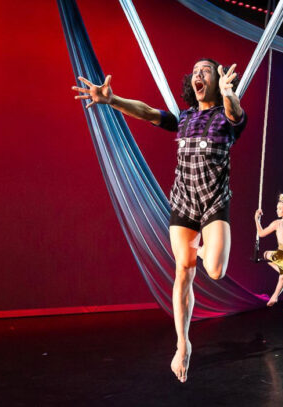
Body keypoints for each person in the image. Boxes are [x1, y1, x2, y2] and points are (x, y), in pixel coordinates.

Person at [72, 59, 245, 383]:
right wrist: (112, 101)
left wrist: (228, 95)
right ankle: (183, 345)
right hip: (183, 202)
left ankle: (200, 249)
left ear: (216, 78)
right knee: (183, 270)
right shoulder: (184, 119)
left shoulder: (225, 119)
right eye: (194, 71)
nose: (198, 75)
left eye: (205, 70)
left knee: (216, 270)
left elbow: (236, 114)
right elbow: (149, 112)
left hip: (213, 202)